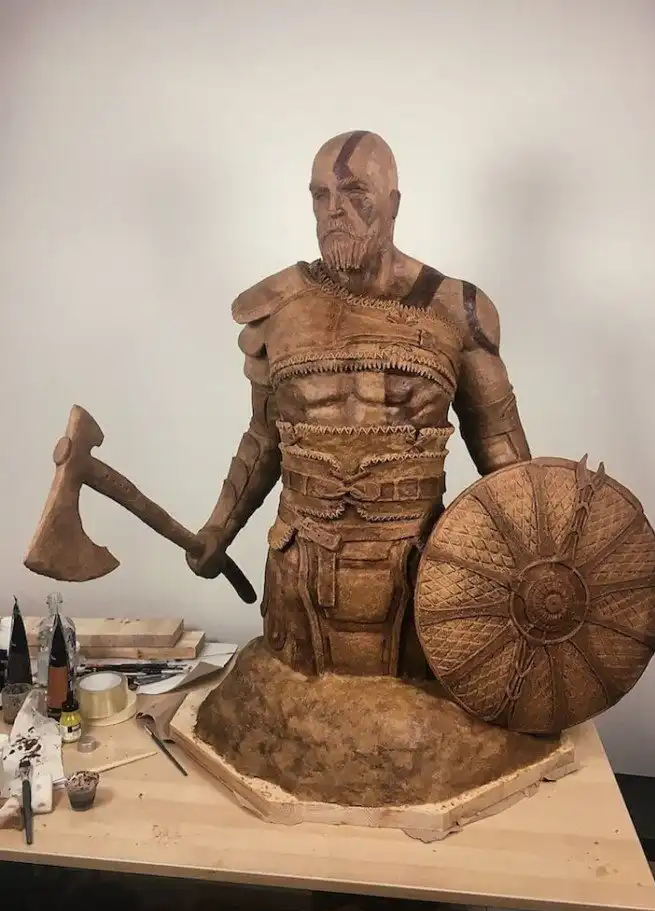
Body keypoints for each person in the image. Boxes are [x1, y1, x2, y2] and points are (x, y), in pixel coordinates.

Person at [187, 130, 531, 678]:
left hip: (418, 579)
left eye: (354, 193)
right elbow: (264, 439)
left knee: (420, 713)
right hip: (300, 575)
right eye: (320, 195)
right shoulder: (279, 310)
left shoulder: (457, 309)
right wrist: (218, 529)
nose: (334, 211)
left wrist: (538, 564)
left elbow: (505, 459)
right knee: (289, 705)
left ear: (393, 204)